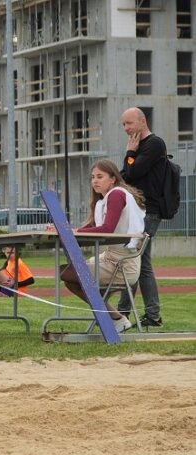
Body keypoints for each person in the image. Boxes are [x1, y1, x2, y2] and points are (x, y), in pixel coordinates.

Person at [55, 159, 146, 333]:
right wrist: (67, 230)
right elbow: (91, 228)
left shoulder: (116, 194)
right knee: (68, 275)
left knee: (67, 273)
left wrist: (70, 232)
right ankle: (115, 318)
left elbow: (107, 229)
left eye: (100, 177)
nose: (95, 181)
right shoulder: (103, 200)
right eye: (92, 177)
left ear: (112, 179)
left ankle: (115, 318)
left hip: (122, 264)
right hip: (112, 258)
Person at [117, 107, 167, 327]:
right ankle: (126, 312)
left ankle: (133, 313)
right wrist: (130, 156)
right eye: (123, 125)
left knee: (136, 260)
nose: (127, 129)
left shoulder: (154, 144)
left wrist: (130, 152)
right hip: (139, 210)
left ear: (142, 121)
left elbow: (133, 172)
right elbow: (124, 175)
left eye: (129, 124)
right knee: (135, 259)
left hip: (149, 211)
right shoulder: (137, 148)